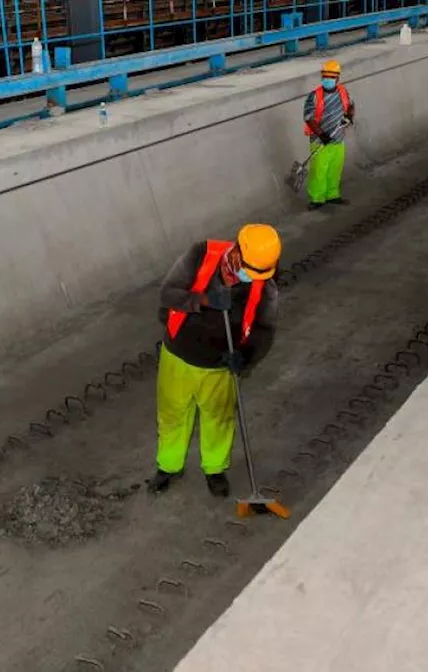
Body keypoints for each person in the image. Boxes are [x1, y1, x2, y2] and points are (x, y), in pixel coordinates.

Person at [151, 224, 282, 498]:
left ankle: (215, 469)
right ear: (236, 250)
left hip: (219, 365)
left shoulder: (265, 286)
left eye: (258, 274)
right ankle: (168, 466)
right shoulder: (201, 255)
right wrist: (203, 300)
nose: (250, 278)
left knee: (219, 419)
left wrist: (245, 357)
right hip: (179, 354)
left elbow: (264, 330)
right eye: (249, 270)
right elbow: (167, 293)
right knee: (173, 414)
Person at [303, 60, 356, 211]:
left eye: (331, 76)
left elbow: (351, 105)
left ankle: (333, 195)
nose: (328, 79)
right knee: (319, 170)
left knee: (335, 168)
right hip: (320, 141)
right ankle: (317, 198)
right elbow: (308, 118)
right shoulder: (314, 96)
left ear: (337, 78)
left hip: (338, 139)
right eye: (326, 76)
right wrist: (321, 134)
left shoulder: (343, 92)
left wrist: (350, 116)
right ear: (322, 77)